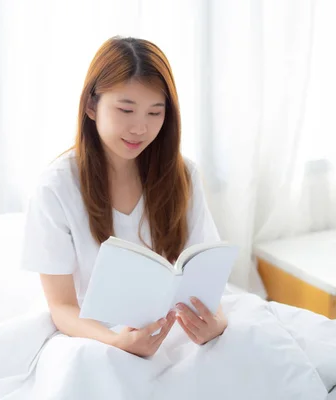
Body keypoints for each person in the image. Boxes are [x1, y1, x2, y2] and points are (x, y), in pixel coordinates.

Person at [21, 36, 227, 358]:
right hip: (94, 338)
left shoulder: (183, 175)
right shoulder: (55, 188)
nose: (140, 128)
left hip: (172, 333)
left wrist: (216, 323)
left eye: (154, 113)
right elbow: (62, 308)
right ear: (91, 105)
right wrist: (115, 342)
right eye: (126, 109)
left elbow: (207, 281)